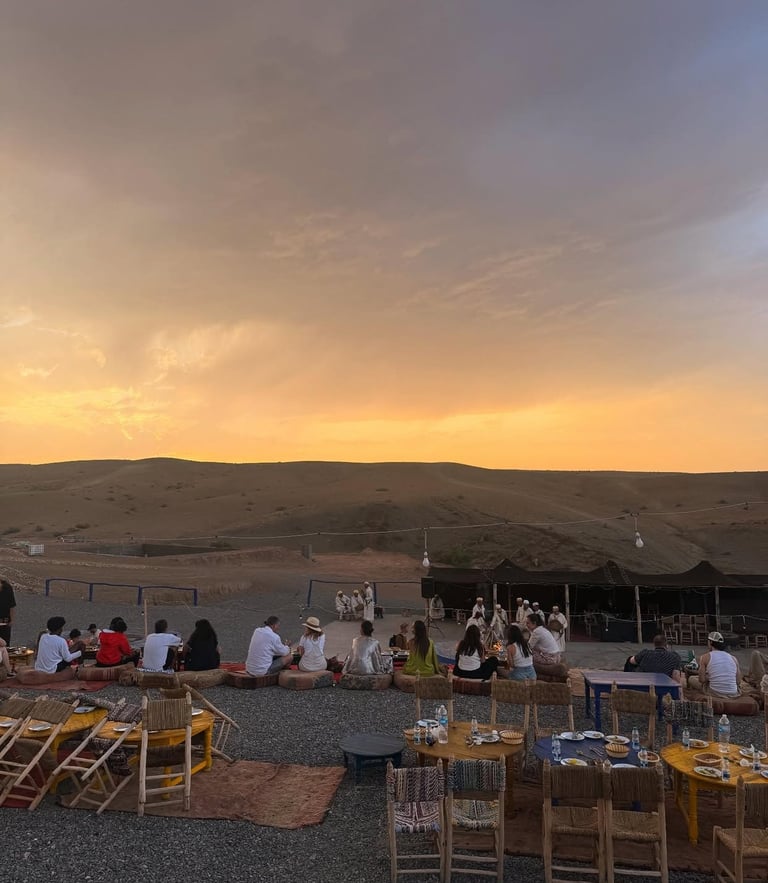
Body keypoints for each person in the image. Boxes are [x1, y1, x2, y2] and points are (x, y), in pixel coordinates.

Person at [687, 631, 742, 699]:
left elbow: (701, 680)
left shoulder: (704, 657)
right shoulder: (734, 658)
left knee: (691, 679)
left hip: (715, 692)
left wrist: (708, 677)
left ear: (710, 642)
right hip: (733, 693)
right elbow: (738, 681)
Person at [0, 579, 16, 644]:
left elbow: (12, 606)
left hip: (5, 622)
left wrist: (12, 620)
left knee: (5, 643)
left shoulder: (7, 588)